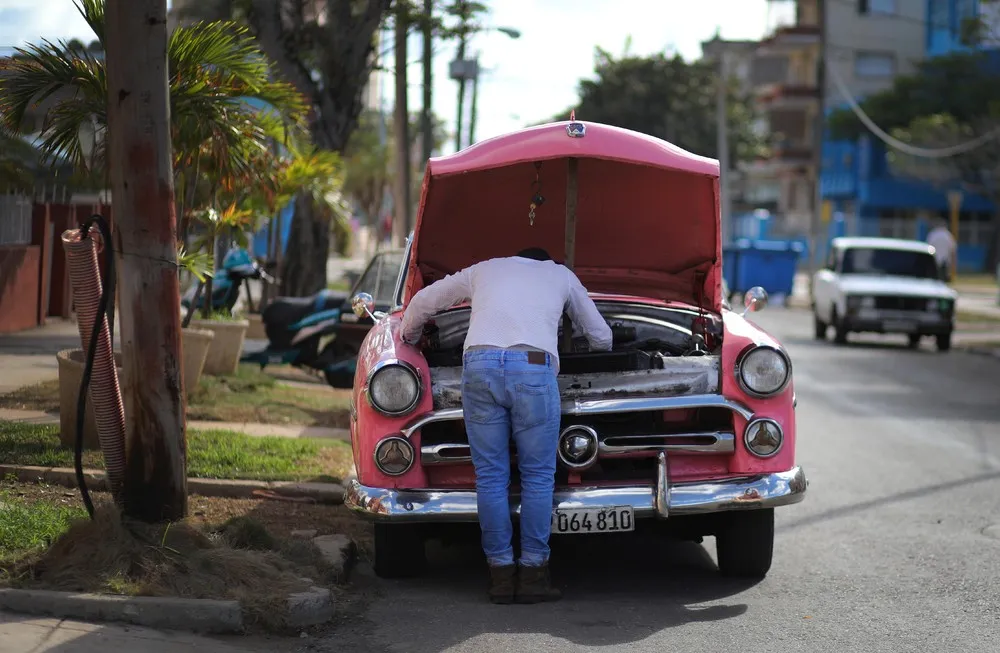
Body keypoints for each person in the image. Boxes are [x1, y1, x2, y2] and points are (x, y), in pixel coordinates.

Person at [399, 247, 613, 604]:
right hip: (533, 365)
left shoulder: (485, 268)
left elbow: (424, 300)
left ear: (515, 259)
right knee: (538, 475)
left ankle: (499, 576)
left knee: (491, 475)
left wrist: (409, 336)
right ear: (546, 261)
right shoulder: (560, 274)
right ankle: (532, 575)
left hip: (479, 365)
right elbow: (602, 337)